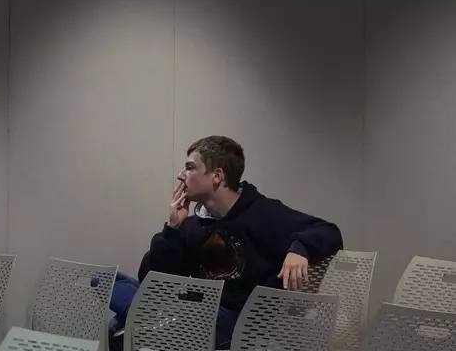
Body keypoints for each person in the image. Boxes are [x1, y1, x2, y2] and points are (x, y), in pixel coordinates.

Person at [109, 135, 343, 350]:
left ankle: (138, 311)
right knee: (107, 281)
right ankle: (139, 311)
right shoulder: (192, 224)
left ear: (217, 176)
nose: (181, 175)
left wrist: (299, 249)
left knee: (123, 331)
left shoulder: (261, 212)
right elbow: (154, 279)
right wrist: (172, 229)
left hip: (239, 322)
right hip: (198, 308)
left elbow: (327, 230)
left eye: (190, 167)